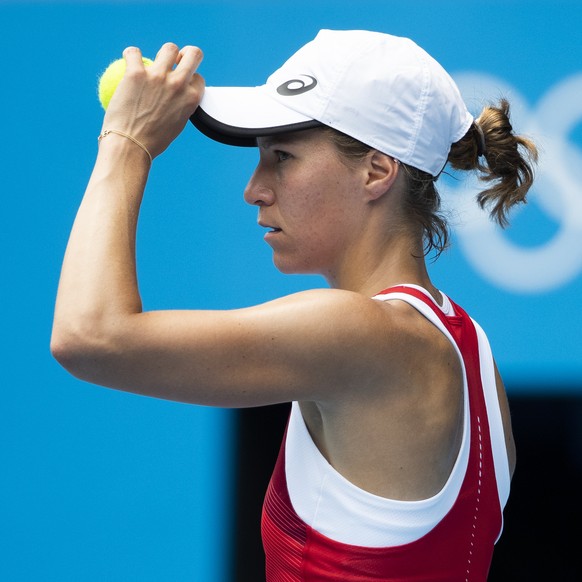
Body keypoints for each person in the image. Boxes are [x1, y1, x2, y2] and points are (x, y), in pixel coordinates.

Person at [51, 30, 537, 581]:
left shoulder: (356, 331)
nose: (254, 188)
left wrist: (125, 142)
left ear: (376, 171)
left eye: (282, 156)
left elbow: (88, 337)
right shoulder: (472, 349)